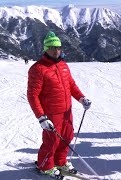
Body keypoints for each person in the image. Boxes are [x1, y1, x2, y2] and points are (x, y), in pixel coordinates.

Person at [27, 31, 92, 178]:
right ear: (45, 49)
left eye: (58, 47)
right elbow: (32, 95)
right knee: (52, 141)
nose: (56, 50)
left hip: (66, 111)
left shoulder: (63, 66)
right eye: (52, 47)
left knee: (67, 138)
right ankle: (45, 166)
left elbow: (71, 85)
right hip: (51, 113)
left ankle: (60, 162)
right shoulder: (38, 69)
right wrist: (41, 117)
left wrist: (82, 98)